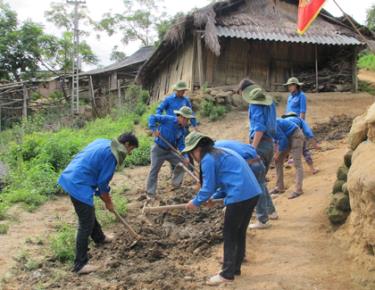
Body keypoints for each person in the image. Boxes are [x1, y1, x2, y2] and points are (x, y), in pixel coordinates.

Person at [184, 132, 262, 286]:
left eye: (191, 153)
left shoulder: (207, 159)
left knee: (229, 233)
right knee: (239, 232)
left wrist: (196, 201)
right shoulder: (220, 153)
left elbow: (207, 187)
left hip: (240, 195)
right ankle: (235, 268)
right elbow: (224, 181)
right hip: (252, 192)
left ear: (197, 149)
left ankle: (227, 273)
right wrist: (213, 197)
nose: (193, 157)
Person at [58, 133, 139, 274]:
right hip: (79, 183)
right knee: (85, 223)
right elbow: (102, 184)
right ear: (126, 145)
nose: (130, 153)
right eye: (131, 149)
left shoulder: (103, 142)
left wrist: (106, 198)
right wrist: (108, 202)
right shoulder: (111, 156)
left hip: (72, 175)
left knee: (88, 213)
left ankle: (100, 238)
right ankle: (80, 265)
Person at [238, 79, 277, 229]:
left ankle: (262, 219)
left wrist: (252, 149)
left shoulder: (255, 104)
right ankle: (271, 211)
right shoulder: (269, 102)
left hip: (260, 144)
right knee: (260, 180)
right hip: (269, 144)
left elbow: (259, 128)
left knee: (256, 182)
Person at [214, 140, 278, 229]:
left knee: (257, 191)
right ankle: (271, 212)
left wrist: (217, 196)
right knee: (262, 186)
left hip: (251, 165)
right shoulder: (222, 143)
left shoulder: (214, 151)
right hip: (259, 162)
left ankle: (263, 220)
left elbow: (225, 175)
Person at [146, 106, 193, 199]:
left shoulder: (182, 130)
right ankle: (150, 194)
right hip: (158, 149)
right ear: (181, 117)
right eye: (186, 120)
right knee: (154, 171)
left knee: (183, 163)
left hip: (169, 151)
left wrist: (186, 157)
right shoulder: (168, 119)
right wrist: (154, 129)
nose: (187, 122)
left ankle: (176, 184)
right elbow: (152, 117)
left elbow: (181, 145)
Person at [272, 118, 305, 199]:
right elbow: (277, 141)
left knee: (297, 163)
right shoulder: (266, 127)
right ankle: (280, 187)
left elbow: (283, 141)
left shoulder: (271, 125)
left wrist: (277, 153)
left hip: (296, 135)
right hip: (287, 137)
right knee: (278, 160)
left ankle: (298, 189)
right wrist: (277, 153)